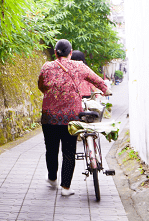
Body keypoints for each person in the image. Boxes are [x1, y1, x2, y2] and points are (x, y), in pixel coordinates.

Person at [38, 39, 110, 196]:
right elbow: (97, 80)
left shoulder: (47, 66)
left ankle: (52, 178)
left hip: (49, 117)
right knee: (69, 152)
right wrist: (105, 90)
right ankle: (65, 188)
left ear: (55, 53)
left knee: (51, 150)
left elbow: (41, 86)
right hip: (71, 117)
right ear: (70, 53)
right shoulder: (79, 66)